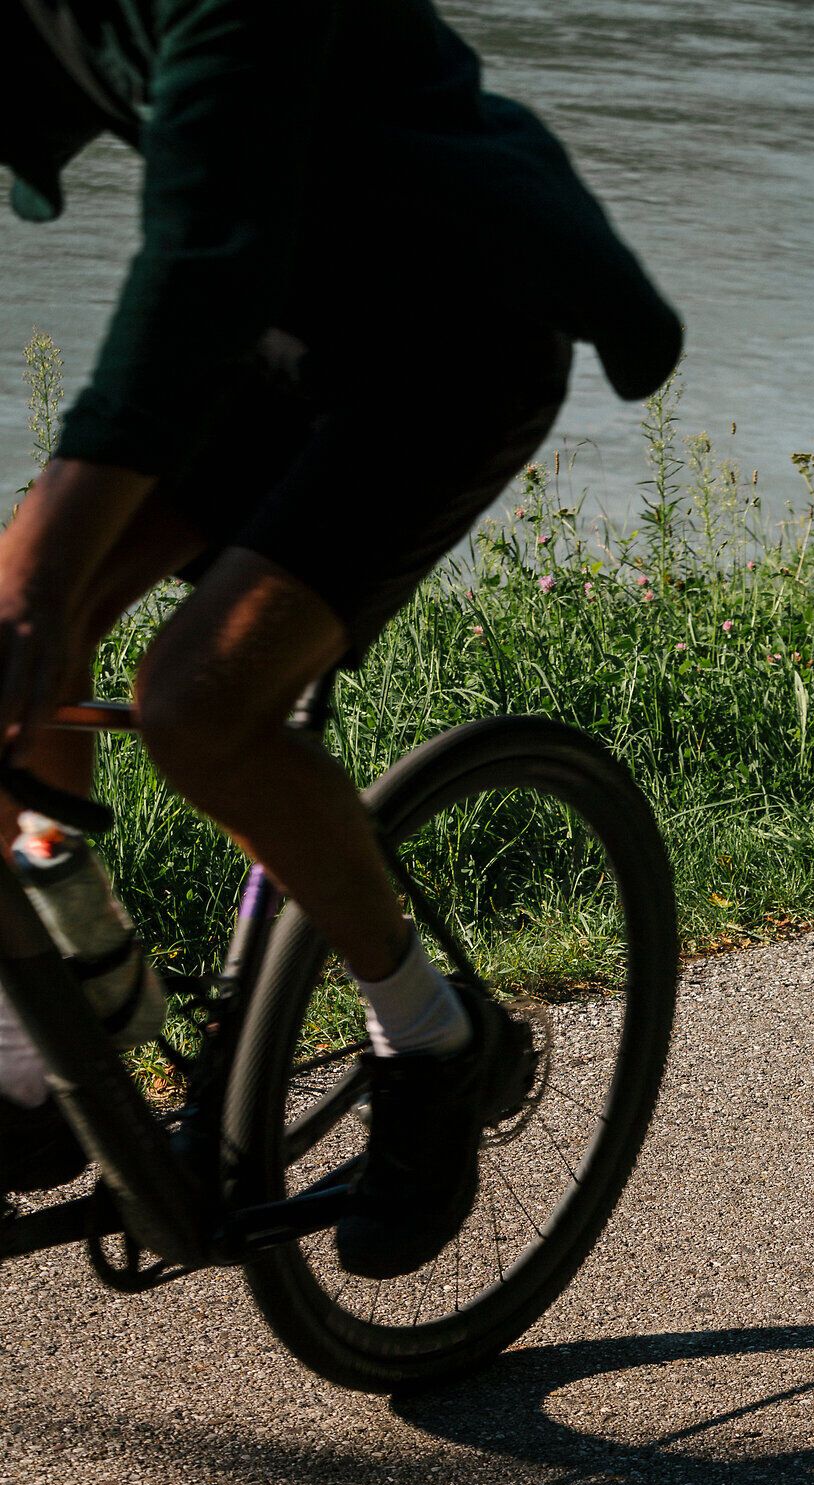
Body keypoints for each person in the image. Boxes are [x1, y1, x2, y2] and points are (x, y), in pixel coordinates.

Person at [0, 0, 682, 1273]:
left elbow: (200, 255)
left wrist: (41, 576)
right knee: (23, 633)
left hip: (451, 340)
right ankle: (49, 1030)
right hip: (282, 329)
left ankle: (431, 1039)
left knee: (196, 702)